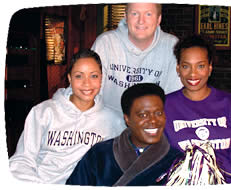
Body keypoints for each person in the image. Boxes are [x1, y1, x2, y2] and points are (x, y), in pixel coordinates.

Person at [9, 49, 126, 184]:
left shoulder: (114, 121)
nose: (86, 83)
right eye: (79, 76)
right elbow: (22, 160)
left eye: (93, 76)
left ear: (101, 78)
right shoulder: (43, 112)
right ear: (69, 78)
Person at [164, 34, 231, 183]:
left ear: (209, 68)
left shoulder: (230, 104)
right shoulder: (165, 105)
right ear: (178, 69)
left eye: (200, 66)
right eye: (186, 66)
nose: (193, 73)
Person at [66, 83, 184, 186]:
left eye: (158, 113)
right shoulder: (99, 154)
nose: (153, 120)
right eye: (143, 115)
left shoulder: (176, 161)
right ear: (127, 119)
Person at [91, 3, 182, 113]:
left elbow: (174, 98)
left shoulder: (172, 46)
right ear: (125, 16)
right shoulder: (105, 43)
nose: (141, 21)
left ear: (159, 19)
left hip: (152, 124)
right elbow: (91, 92)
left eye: (148, 14)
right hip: (108, 124)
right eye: (134, 13)